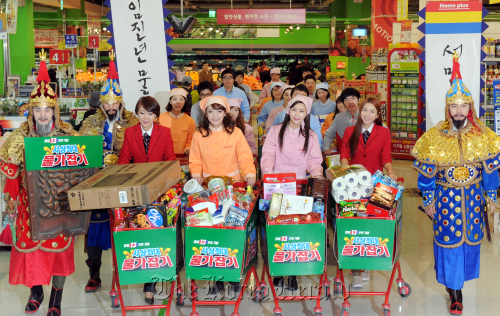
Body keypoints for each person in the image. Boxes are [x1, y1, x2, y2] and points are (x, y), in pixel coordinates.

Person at [413, 53, 500, 315]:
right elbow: (426, 175)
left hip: (473, 200)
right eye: (454, 106)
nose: (459, 111)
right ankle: (455, 293)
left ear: (470, 108)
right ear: (447, 109)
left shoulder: (484, 136)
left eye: (464, 106)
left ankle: (458, 284)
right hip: (446, 199)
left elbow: (491, 172)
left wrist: (492, 197)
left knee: (470, 243)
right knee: (448, 243)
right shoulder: (433, 138)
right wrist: (428, 200)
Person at [0, 51, 80, 316]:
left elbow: (82, 169)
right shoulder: (18, 137)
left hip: (60, 205)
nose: (43, 115)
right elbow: (11, 173)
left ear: (54, 110)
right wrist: (9, 201)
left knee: (60, 253)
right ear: (31, 111)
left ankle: (55, 303)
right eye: (38, 109)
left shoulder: (69, 136)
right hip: (28, 205)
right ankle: (36, 292)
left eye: (47, 109)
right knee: (32, 251)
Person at [79, 51, 139, 292]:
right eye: (107, 103)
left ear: (121, 102)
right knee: (93, 228)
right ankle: (94, 274)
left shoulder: (133, 121)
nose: (111, 107)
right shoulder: (89, 123)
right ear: (100, 103)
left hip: (123, 181)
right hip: (95, 181)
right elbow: (81, 153)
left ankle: (121, 273)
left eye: (115, 103)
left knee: (122, 227)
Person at [261, 95, 323, 291]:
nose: (297, 114)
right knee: (278, 230)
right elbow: (268, 154)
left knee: (296, 231)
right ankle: (278, 270)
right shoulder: (275, 131)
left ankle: (293, 273)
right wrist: (269, 176)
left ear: (307, 114)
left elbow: (314, 161)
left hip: (299, 189)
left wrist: (317, 173)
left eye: (302, 111)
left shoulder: (310, 136)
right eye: (294, 109)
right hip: (277, 188)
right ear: (288, 110)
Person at [118, 96, 176, 304]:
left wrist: (164, 184)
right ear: (136, 113)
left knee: (155, 236)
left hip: (159, 191)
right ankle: (144, 277)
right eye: (142, 113)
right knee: (140, 235)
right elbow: (124, 159)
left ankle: (149, 285)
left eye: (150, 113)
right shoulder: (129, 133)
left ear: (156, 115)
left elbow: (170, 159)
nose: (146, 117)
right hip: (136, 191)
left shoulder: (164, 132)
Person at [189, 95, 256, 186]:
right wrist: (196, 174)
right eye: (211, 111)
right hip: (208, 184)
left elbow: (245, 157)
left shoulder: (235, 133)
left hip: (233, 184)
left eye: (219, 111)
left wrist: (249, 174)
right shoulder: (199, 134)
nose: (215, 116)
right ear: (206, 113)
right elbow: (195, 160)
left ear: (225, 113)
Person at [158, 88, 196, 156]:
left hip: (183, 157)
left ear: (185, 101)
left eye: (181, 99)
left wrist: (188, 148)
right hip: (163, 157)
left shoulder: (190, 121)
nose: (178, 102)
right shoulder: (160, 118)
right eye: (174, 99)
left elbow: (190, 140)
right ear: (170, 101)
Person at [322, 88, 361, 155]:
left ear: (359, 100)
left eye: (353, 98)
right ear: (343, 103)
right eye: (346, 100)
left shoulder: (366, 116)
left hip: (362, 153)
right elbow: (329, 134)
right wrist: (326, 148)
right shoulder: (338, 117)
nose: (350, 102)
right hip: (344, 154)